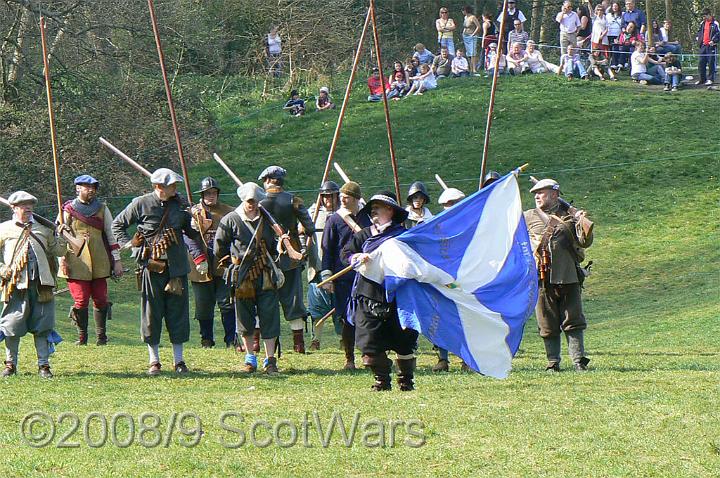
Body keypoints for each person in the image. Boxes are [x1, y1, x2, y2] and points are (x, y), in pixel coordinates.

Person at [112, 168, 207, 376]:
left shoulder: (181, 205)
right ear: (158, 187)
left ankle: (179, 360)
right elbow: (117, 225)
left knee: (178, 314)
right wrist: (134, 248)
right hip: (151, 267)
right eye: (171, 185)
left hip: (177, 269)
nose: (175, 188)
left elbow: (193, 234)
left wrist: (198, 221)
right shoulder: (140, 203)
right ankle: (154, 360)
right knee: (151, 314)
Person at [342, 191, 418, 391]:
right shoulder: (364, 235)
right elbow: (346, 254)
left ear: (390, 210)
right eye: (371, 208)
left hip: (398, 296)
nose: (373, 211)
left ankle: (406, 381)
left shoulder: (404, 237)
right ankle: (382, 381)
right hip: (367, 295)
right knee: (368, 341)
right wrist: (356, 258)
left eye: (378, 207)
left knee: (404, 341)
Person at [523, 179, 594, 372]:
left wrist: (580, 220)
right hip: (541, 277)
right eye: (535, 194)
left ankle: (579, 361)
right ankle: (553, 362)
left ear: (555, 195)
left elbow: (585, 242)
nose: (537, 196)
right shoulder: (527, 217)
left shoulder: (570, 217)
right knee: (546, 322)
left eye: (541, 193)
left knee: (574, 320)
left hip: (569, 275)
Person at [214, 183, 282, 375]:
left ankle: (270, 360)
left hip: (265, 274)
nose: (252, 204)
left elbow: (276, 243)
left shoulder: (268, 219)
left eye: (254, 201)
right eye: (249, 201)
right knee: (244, 318)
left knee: (269, 316)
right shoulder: (231, 220)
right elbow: (219, 248)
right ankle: (250, 358)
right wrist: (232, 267)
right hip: (242, 276)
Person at [1, 191, 67, 378]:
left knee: (43, 326)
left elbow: (59, 250)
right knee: (11, 326)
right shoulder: (4, 229)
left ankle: (43, 366)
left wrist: (61, 234)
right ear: (14, 208)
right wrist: (2, 270)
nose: (28, 207)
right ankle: (10, 365)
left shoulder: (44, 229)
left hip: (42, 285)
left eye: (30, 204)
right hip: (15, 286)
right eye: (23, 205)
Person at [58, 175, 122, 347]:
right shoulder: (67, 210)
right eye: (87, 187)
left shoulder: (102, 209)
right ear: (78, 188)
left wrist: (117, 261)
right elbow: (59, 239)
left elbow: (111, 234)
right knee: (81, 300)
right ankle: (82, 337)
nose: (91, 190)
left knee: (101, 298)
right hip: (76, 260)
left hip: (100, 258)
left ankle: (101, 337)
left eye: (93, 187)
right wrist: (61, 258)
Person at [258, 166, 315, 354]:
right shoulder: (293, 200)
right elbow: (309, 227)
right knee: (293, 299)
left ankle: (259, 343)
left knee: (264, 300)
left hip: (264, 258)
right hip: (290, 260)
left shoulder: (259, 202)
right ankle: (298, 344)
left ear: (267, 180)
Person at [320, 181, 371, 370]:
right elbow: (327, 249)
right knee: (346, 318)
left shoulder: (367, 218)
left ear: (356, 199)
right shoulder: (334, 220)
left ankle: (368, 354)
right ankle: (349, 359)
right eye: (341, 196)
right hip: (343, 277)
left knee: (367, 316)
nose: (341, 199)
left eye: (346, 197)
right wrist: (327, 276)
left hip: (365, 275)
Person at [187, 177, 235, 349]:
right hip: (200, 266)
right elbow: (187, 237)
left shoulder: (229, 212)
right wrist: (190, 223)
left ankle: (231, 339)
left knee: (227, 303)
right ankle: (206, 339)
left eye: (213, 193)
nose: (211, 196)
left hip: (222, 265)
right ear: (202, 194)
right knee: (203, 305)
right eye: (207, 193)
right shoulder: (192, 213)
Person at [430, 187, 466, 372]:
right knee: (441, 317)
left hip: (466, 276)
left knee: (465, 318)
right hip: (443, 277)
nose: (449, 207)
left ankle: (467, 359)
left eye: (453, 204)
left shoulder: (470, 224)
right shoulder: (436, 226)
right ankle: (442, 359)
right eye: (447, 205)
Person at [306, 181, 340, 350]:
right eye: (325, 196)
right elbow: (300, 229)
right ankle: (316, 339)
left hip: (338, 267)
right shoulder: (313, 213)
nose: (328, 200)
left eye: (331, 195)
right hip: (317, 266)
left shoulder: (343, 214)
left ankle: (344, 339)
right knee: (317, 307)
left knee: (340, 306)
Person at [696, 9, 719, 86]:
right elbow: (699, 32)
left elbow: (718, 34)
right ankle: (702, 79)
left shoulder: (715, 23)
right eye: (703, 16)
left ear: (709, 14)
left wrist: (713, 40)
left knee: (711, 63)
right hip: (703, 46)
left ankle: (710, 79)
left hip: (711, 46)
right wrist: (698, 40)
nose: (704, 18)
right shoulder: (702, 23)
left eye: (705, 16)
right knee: (701, 63)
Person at [461, 5, 482, 73]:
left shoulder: (472, 17)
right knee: (468, 53)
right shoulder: (465, 17)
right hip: (465, 36)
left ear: (466, 10)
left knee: (473, 53)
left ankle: (474, 69)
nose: (462, 11)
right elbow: (465, 27)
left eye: (463, 10)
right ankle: (470, 68)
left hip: (472, 36)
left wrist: (473, 34)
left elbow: (478, 26)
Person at [606, 2, 624, 68]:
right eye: (613, 6)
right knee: (610, 49)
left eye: (616, 6)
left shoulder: (622, 14)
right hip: (609, 34)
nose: (615, 8)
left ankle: (615, 63)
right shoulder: (608, 15)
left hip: (618, 34)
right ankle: (611, 63)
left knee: (615, 48)